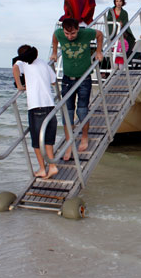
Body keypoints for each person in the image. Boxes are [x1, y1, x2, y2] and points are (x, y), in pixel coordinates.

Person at [50, 18, 104, 157]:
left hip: (84, 78)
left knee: (81, 111)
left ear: (78, 29)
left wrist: (99, 51)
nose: (69, 37)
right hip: (67, 79)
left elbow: (100, 35)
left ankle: (84, 137)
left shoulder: (86, 33)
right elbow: (55, 37)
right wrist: (55, 52)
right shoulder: (59, 33)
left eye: (73, 34)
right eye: (67, 34)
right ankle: (69, 144)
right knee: (67, 113)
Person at [13, 45, 58, 179]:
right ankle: (52, 166)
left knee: (37, 141)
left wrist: (20, 86)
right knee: (48, 139)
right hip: (50, 105)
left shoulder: (22, 62)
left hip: (36, 106)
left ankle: (43, 169)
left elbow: (15, 67)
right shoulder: (43, 62)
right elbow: (54, 81)